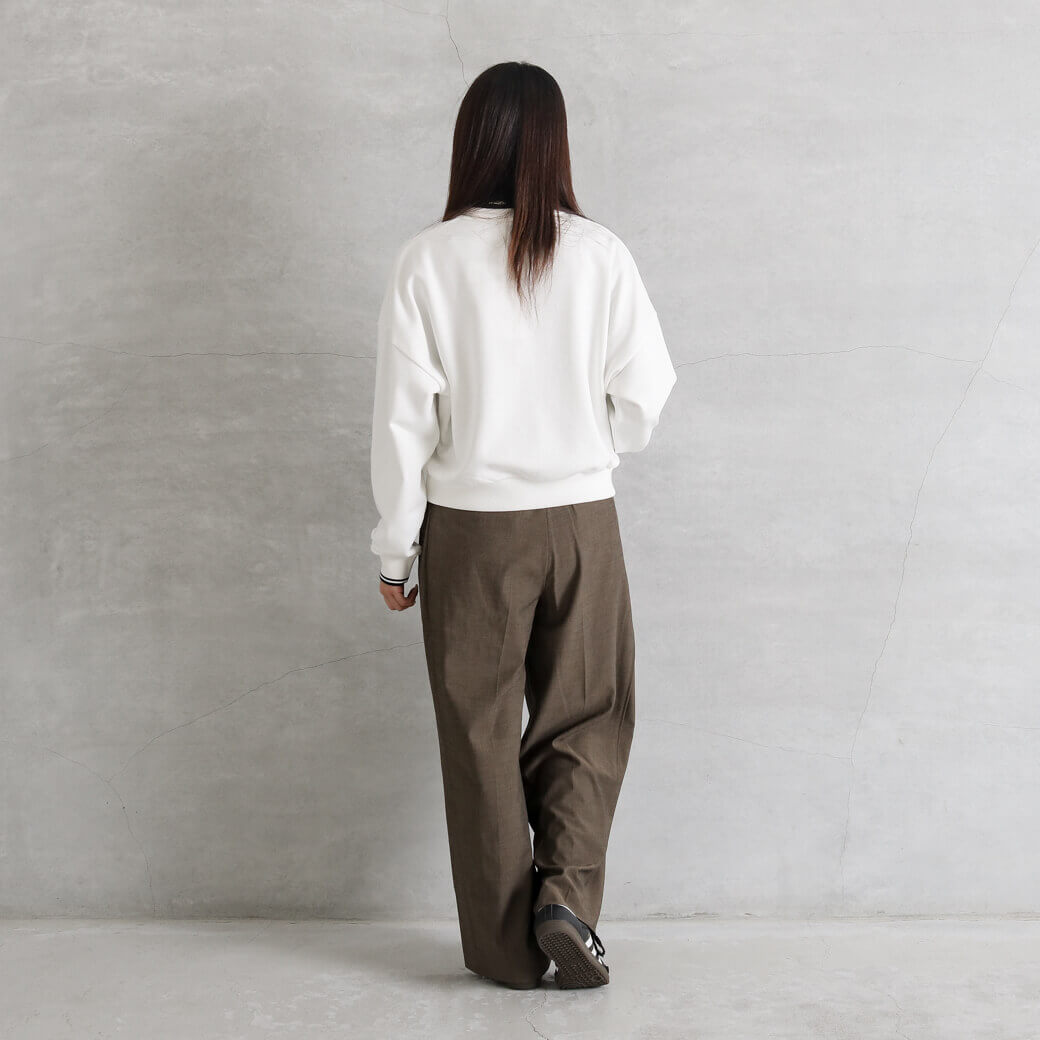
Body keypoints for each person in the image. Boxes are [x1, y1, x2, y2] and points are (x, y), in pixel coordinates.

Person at [369, 61, 677, 990]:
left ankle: (506, 952)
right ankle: (567, 904)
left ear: (472, 142)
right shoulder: (599, 253)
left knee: (479, 733)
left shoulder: (428, 259)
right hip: (582, 522)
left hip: (471, 531)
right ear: (554, 144)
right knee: (589, 713)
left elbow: (403, 423)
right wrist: (589, 446)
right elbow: (646, 394)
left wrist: (396, 550)